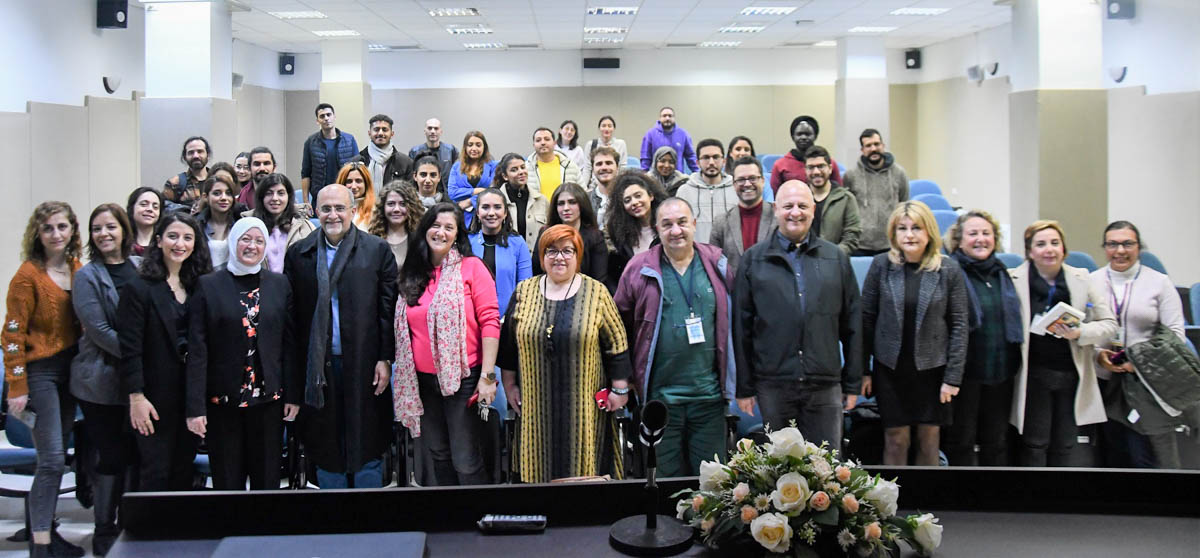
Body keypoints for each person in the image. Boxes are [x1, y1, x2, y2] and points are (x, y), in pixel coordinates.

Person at [498, 225, 633, 483]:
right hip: (535, 406)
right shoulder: (524, 291)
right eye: (551, 251)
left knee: (584, 473)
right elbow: (508, 347)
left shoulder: (596, 292)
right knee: (537, 470)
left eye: (567, 251)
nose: (559, 257)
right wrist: (510, 385)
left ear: (577, 255)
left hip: (584, 409)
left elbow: (617, 343)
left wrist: (620, 390)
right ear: (542, 256)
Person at [733, 181, 861, 449]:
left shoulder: (836, 258)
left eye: (802, 206)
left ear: (813, 210)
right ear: (775, 209)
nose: (795, 212)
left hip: (824, 383)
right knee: (778, 467)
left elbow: (853, 325)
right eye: (788, 206)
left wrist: (852, 383)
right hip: (773, 383)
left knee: (827, 466)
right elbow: (741, 329)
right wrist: (744, 387)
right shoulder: (753, 260)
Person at [285, 184, 398, 488]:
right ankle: (333, 508)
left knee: (366, 437)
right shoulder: (299, 254)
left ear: (353, 211)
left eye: (339, 208)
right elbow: (293, 320)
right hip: (318, 367)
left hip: (364, 362)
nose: (333, 215)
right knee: (326, 441)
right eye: (326, 209)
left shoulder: (376, 251)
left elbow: (387, 311)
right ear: (315, 212)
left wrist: (385, 358)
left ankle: (367, 507)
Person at [614, 198, 734, 476]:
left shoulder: (717, 263)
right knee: (665, 485)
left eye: (682, 222)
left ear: (694, 224)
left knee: (712, 485)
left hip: (709, 398)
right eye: (667, 224)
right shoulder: (638, 268)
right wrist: (625, 377)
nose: (676, 230)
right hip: (660, 401)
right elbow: (618, 326)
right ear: (657, 229)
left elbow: (736, 322)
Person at [185, 218, 298, 491]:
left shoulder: (280, 284)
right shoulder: (208, 285)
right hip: (224, 402)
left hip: (268, 402)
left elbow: (289, 345)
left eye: (259, 241)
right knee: (227, 483)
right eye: (246, 239)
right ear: (234, 241)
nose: (252, 246)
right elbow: (198, 350)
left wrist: (293, 396)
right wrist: (195, 408)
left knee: (267, 481)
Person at [392, 203, 500, 486]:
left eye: (448, 227)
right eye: (435, 225)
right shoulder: (412, 272)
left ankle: (479, 510)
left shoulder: (472, 267)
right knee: (438, 454)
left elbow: (490, 321)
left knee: (465, 459)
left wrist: (488, 376)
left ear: (457, 234)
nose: (440, 232)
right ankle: (450, 511)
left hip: (463, 379)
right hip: (422, 381)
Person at [3, 201, 86, 557]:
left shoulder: (77, 269)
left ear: (72, 230)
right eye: (48, 228)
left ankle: (48, 533)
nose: (56, 234)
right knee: (51, 460)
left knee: (57, 457)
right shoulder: (28, 275)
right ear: (37, 233)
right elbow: (12, 334)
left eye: (62, 227)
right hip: (41, 373)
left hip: (71, 373)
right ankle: (41, 545)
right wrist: (16, 386)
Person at [860, 202, 968, 466]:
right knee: (895, 440)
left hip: (934, 371)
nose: (909, 235)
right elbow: (866, 320)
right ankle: (892, 493)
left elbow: (959, 325)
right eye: (902, 228)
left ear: (929, 231)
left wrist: (952, 378)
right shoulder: (881, 265)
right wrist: (863, 370)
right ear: (893, 233)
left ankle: (926, 494)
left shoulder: (948, 269)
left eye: (916, 228)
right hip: (890, 370)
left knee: (929, 440)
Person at [1010, 220, 1117, 467]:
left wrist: (1080, 332)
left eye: (1055, 243)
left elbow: (1109, 323)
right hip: (1032, 374)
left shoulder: (1082, 278)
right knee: (1035, 443)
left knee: (1065, 443)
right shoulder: (1013, 279)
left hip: (1070, 373)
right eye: (1041, 244)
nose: (1049, 249)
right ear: (1029, 251)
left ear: (1063, 248)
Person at [119, 212, 213, 492]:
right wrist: (136, 397)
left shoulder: (201, 285)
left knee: (183, 470)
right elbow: (130, 349)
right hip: (153, 398)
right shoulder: (138, 287)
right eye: (173, 236)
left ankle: (176, 521)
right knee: (155, 472)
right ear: (158, 241)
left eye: (187, 238)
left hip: (190, 397)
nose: (180, 244)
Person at [70, 204, 140, 556]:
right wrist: (142, 356)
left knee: (133, 453)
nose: (103, 234)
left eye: (110, 227)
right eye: (96, 229)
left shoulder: (140, 267)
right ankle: (103, 529)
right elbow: (98, 331)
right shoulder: (86, 276)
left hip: (137, 382)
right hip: (100, 381)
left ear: (124, 230)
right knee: (111, 455)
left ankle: (129, 523)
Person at [1091, 221, 1188, 469]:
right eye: (1112, 244)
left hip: (1146, 382)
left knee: (1145, 456)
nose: (1120, 251)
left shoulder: (1160, 283)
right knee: (1111, 454)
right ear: (1104, 247)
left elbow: (1176, 335)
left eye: (1127, 244)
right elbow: (1081, 332)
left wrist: (1139, 362)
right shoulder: (1090, 282)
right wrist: (1099, 355)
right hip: (1103, 380)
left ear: (1139, 247)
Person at [941, 210, 1024, 466]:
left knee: (997, 441)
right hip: (964, 375)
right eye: (973, 233)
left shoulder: (1003, 273)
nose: (981, 239)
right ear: (959, 240)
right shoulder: (949, 271)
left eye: (986, 233)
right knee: (961, 441)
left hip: (1001, 372)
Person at [844, 128, 910, 257]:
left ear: (883, 146)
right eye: (868, 146)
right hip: (860, 245)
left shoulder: (899, 173)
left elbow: (904, 205)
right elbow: (847, 210)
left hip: (890, 244)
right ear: (862, 150)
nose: (873, 148)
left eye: (876, 144)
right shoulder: (850, 176)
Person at [469, 188, 533, 316]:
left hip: (508, 318)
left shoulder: (518, 243)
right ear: (477, 213)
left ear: (505, 213)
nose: (491, 213)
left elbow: (526, 287)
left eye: (497, 207)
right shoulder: (467, 242)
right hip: (472, 317)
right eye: (485, 207)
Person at [710, 156, 776, 276]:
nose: (747, 184)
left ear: (763, 181)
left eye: (752, 178)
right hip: (734, 287)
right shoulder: (720, 223)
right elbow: (714, 266)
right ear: (734, 184)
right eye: (741, 180)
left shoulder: (778, 218)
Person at [534, 182, 608, 284]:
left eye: (572, 202)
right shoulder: (545, 233)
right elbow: (537, 272)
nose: (566, 208)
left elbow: (599, 279)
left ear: (582, 205)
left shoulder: (595, 237)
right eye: (561, 203)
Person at [605, 172, 668, 291]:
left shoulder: (667, 228)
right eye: (627, 200)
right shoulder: (620, 236)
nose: (634, 202)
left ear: (651, 196)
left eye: (638, 196)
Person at [249, 173, 316, 274]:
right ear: (261, 197)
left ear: (289, 196)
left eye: (281, 193)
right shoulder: (250, 226)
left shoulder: (305, 227)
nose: (275, 198)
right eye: (269, 193)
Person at [802, 146, 861, 254]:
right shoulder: (799, 199)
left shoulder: (846, 199)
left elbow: (851, 237)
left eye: (821, 166)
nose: (816, 172)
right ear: (805, 170)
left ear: (830, 168)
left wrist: (832, 255)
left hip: (835, 259)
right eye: (811, 167)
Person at [675, 138, 737, 244]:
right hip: (696, 251)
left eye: (716, 157)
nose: (711, 162)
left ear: (724, 161)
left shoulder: (736, 189)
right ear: (698, 163)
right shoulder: (684, 192)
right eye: (706, 158)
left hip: (729, 252)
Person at [301, 103, 359, 204]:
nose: (326, 118)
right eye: (322, 116)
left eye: (329, 115)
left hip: (345, 195)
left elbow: (358, 170)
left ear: (334, 116)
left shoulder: (349, 140)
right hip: (320, 197)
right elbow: (305, 173)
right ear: (317, 121)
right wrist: (306, 201)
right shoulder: (311, 142)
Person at [770, 115, 842, 194]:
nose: (803, 137)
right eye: (799, 134)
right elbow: (776, 195)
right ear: (793, 137)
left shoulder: (828, 163)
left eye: (808, 134)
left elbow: (838, 191)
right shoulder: (780, 165)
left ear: (815, 136)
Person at [493, 152, 549, 249]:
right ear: (505, 176)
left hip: (535, 256)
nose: (521, 172)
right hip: (507, 254)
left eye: (523, 167)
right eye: (514, 170)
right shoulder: (495, 201)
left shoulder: (541, 200)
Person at [370, 180, 424, 271]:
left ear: (412, 207)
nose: (396, 209)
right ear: (383, 207)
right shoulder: (372, 240)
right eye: (391, 204)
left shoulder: (420, 240)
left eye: (403, 204)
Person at [448, 130, 497, 226]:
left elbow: (493, 192)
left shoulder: (493, 166)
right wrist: (476, 191)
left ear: (484, 147)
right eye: (470, 145)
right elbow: (452, 193)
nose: (474, 148)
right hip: (461, 215)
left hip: (486, 215)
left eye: (478, 145)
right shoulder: (456, 166)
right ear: (465, 147)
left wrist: (469, 201)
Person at [195, 171, 241, 269]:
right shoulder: (197, 225)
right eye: (217, 193)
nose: (224, 198)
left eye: (228, 193)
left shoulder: (240, 222)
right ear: (205, 197)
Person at [357, 114, 414, 187]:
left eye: (385, 130)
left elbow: (410, 190)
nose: (380, 133)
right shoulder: (357, 161)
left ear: (392, 134)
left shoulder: (406, 163)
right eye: (376, 129)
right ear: (369, 133)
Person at [527, 127, 581, 200]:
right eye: (538, 140)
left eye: (547, 139)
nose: (543, 143)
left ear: (554, 143)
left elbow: (582, 193)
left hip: (564, 207)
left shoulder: (570, 166)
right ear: (534, 145)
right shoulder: (526, 168)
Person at [640, 107, 697, 175]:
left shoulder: (683, 134)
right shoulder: (650, 134)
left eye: (670, 116)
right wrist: (644, 175)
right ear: (659, 118)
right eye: (664, 116)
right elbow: (645, 158)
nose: (667, 118)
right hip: (656, 177)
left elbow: (691, 157)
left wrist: (698, 173)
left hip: (677, 177)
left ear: (674, 118)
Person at [162, 136, 210, 210]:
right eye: (191, 152)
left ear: (208, 155)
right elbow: (163, 207)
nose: (196, 156)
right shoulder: (175, 183)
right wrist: (187, 210)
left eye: (200, 151)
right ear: (185, 157)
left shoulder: (218, 180)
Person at [408, 117, 458, 188]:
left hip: (447, 192)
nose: (433, 131)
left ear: (441, 131)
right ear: (425, 131)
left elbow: (457, 174)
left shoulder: (451, 150)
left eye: (436, 128)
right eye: (429, 128)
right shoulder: (415, 152)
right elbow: (411, 176)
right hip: (422, 191)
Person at [580, 115, 628, 186]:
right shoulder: (591, 145)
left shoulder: (621, 144)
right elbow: (587, 169)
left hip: (615, 185)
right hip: (595, 185)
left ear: (614, 128)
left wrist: (620, 186)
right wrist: (583, 188)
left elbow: (622, 168)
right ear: (599, 128)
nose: (606, 128)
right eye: (603, 126)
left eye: (609, 126)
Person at [586, 146, 622, 228]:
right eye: (599, 164)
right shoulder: (586, 200)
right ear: (593, 170)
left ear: (617, 167)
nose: (604, 167)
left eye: (608, 163)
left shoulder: (626, 198)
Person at [336, 161, 377, 230]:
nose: (354, 186)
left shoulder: (376, 210)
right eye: (349, 181)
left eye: (358, 181)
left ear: (366, 184)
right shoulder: (333, 209)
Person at [126, 187, 164, 257]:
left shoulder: (164, 243)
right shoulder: (122, 241)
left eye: (155, 207)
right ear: (132, 208)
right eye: (143, 204)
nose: (150, 209)